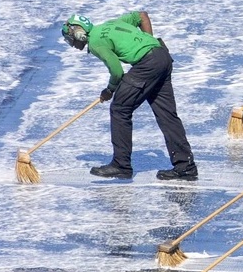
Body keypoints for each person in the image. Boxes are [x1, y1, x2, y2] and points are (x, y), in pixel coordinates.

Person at [61, 11, 197, 180]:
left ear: (79, 33)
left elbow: (117, 71)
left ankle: (121, 165)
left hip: (147, 65)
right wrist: (150, 42)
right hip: (162, 56)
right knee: (167, 115)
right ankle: (186, 167)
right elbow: (142, 16)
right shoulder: (112, 23)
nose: (72, 44)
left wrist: (109, 90)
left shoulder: (95, 42)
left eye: (70, 38)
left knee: (119, 109)